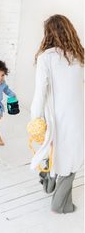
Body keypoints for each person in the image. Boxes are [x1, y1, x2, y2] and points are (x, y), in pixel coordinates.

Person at [30, 14, 84, 213]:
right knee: (72, 155)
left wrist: (35, 118)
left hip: (56, 116)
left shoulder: (46, 58)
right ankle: (56, 193)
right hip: (77, 115)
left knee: (55, 151)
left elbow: (40, 92)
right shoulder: (79, 56)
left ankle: (58, 200)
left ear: (49, 34)